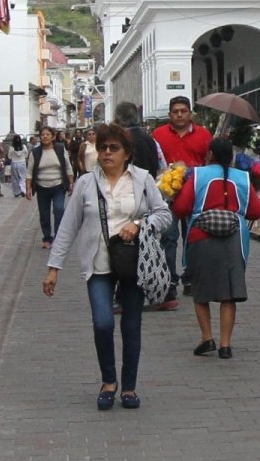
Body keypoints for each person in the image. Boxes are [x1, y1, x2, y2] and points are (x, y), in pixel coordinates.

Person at [42, 124, 171, 410]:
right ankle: (108, 381)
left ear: (127, 153)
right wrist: (54, 267)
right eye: (102, 147)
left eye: (113, 148)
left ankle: (129, 387)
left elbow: (163, 215)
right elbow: (68, 225)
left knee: (131, 325)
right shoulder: (87, 183)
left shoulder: (143, 178)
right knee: (102, 322)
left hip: (133, 262)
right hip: (98, 262)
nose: (106, 153)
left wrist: (138, 225)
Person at [172, 138, 260, 359]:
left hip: (201, 238)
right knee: (229, 294)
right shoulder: (243, 178)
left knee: (201, 291)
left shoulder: (198, 176)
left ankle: (206, 338)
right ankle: (225, 344)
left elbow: (182, 207)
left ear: (210, 153)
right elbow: (256, 211)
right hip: (234, 240)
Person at [152, 96, 213, 309]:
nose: (179, 114)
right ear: (170, 114)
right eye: (175, 111)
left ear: (190, 113)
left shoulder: (204, 135)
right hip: (167, 197)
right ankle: (170, 281)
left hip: (195, 195)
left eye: (183, 111)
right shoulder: (158, 136)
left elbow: (210, 162)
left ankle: (191, 277)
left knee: (194, 238)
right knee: (168, 238)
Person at [27, 126, 74, 249]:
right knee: (44, 214)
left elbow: (68, 166)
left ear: (53, 136)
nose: (45, 137)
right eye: (43, 135)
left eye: (48, 134)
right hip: (41, 186)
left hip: (58, 185)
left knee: (59, 209)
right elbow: (29, 172)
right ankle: (47, 238)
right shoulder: (35, 152)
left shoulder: (60, 149)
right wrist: (28, 188)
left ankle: (58, 237)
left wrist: (71, 182)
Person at [113, 101, 166, 178]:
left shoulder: (116, 140)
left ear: (117, 118)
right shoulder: (151, 139)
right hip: (149, 184)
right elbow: (162, 165)